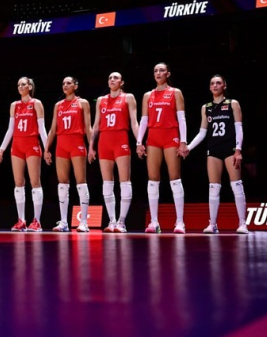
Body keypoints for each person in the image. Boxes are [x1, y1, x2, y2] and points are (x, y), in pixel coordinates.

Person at [187, 74, 248, 234]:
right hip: (213, 149)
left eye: (218, 83)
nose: (215, 85)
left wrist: (238, 150)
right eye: (212, 83)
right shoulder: (206, 107)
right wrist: (189, 147)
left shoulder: (232, 103)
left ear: (224, 86)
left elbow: (239, 128)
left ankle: (242, 223)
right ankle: (213, 224)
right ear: (209, 87)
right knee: (213, 187)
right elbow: (202, 132)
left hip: (230, 149)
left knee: (236, 185)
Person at [136, 62, 189, 234]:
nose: (158, 73)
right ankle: (154, 222)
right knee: (152, 180)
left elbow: (182, 118)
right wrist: (139, 142)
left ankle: (180, 222)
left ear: (168, 73)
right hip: (153, 137)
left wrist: (183, 141)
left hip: (171, 136)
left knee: (175, 178)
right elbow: (144, 120)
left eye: (162, 70)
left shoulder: (175, 92)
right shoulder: (148, 95)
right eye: (155, 71)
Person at [88, 72, 140, 233]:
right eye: (110, 78)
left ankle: (121, 221)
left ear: (122, 82)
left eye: (116, 78)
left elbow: (134, 123)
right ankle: (111, 220)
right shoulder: (101, 100)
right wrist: (91, 147)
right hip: (104, 142)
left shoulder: (128, 98)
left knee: (125, 181)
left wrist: (139, 142)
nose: (112, 80)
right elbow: (96, 125)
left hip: (121, 140)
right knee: (107, 183)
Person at [0, 77, 48, 232]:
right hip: (17, 145)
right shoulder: (14, 105)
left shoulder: (36, 103)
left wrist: (47, 149)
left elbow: (42, 129)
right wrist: (1, 149)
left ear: (30, 87)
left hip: (32, 144)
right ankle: (21, 220)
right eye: (18, 84)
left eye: (23, 84)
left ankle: (37, 221)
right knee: (18, 183)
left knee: (35, 182)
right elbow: (10, 129)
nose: (20, 87)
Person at [44, 76, 93, 232]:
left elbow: (88, 127)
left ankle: (84, 221)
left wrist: (91, 147)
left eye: (69, 83)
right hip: (61, 144)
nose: (65, 85)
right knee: (62, 183)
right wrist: (46, 149)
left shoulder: (82, 103)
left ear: (75, 86)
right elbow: (53, 129)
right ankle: (64, 221)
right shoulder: (58, 105)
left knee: (81, 182)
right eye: (63, 83)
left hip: (77, 142)